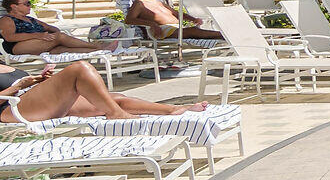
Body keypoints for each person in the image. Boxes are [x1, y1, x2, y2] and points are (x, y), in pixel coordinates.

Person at [1, 60, 210, 124]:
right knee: (80, 69)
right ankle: (116, 115)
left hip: (28, 98)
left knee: (114, 99)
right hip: (10, 109)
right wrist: (17, 87)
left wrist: (38, 79)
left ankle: (173, 109)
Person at [0, 0, 118, 56]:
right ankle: (98, 46)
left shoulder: (31, 19)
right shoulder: (7, 19)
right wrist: (39, 35)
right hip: (16, 46)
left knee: (61, 49)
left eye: (30, 3)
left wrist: (49, 33)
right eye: (26, 3)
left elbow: (52, 28)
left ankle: (99, 52)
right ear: (14, 6)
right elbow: (10, 37)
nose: (29, 6)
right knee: (59, 37)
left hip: (38, 43)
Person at [124, 0, 223, 42]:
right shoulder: (140, 3)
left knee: (193, 30)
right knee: (193, 31)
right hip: (161, 31)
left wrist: (193, 19)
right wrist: (152, 24)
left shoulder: (159, 2)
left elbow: (176, 14)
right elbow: (129, 19)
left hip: (175, 29)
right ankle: (223, 36)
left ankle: (222, 35)